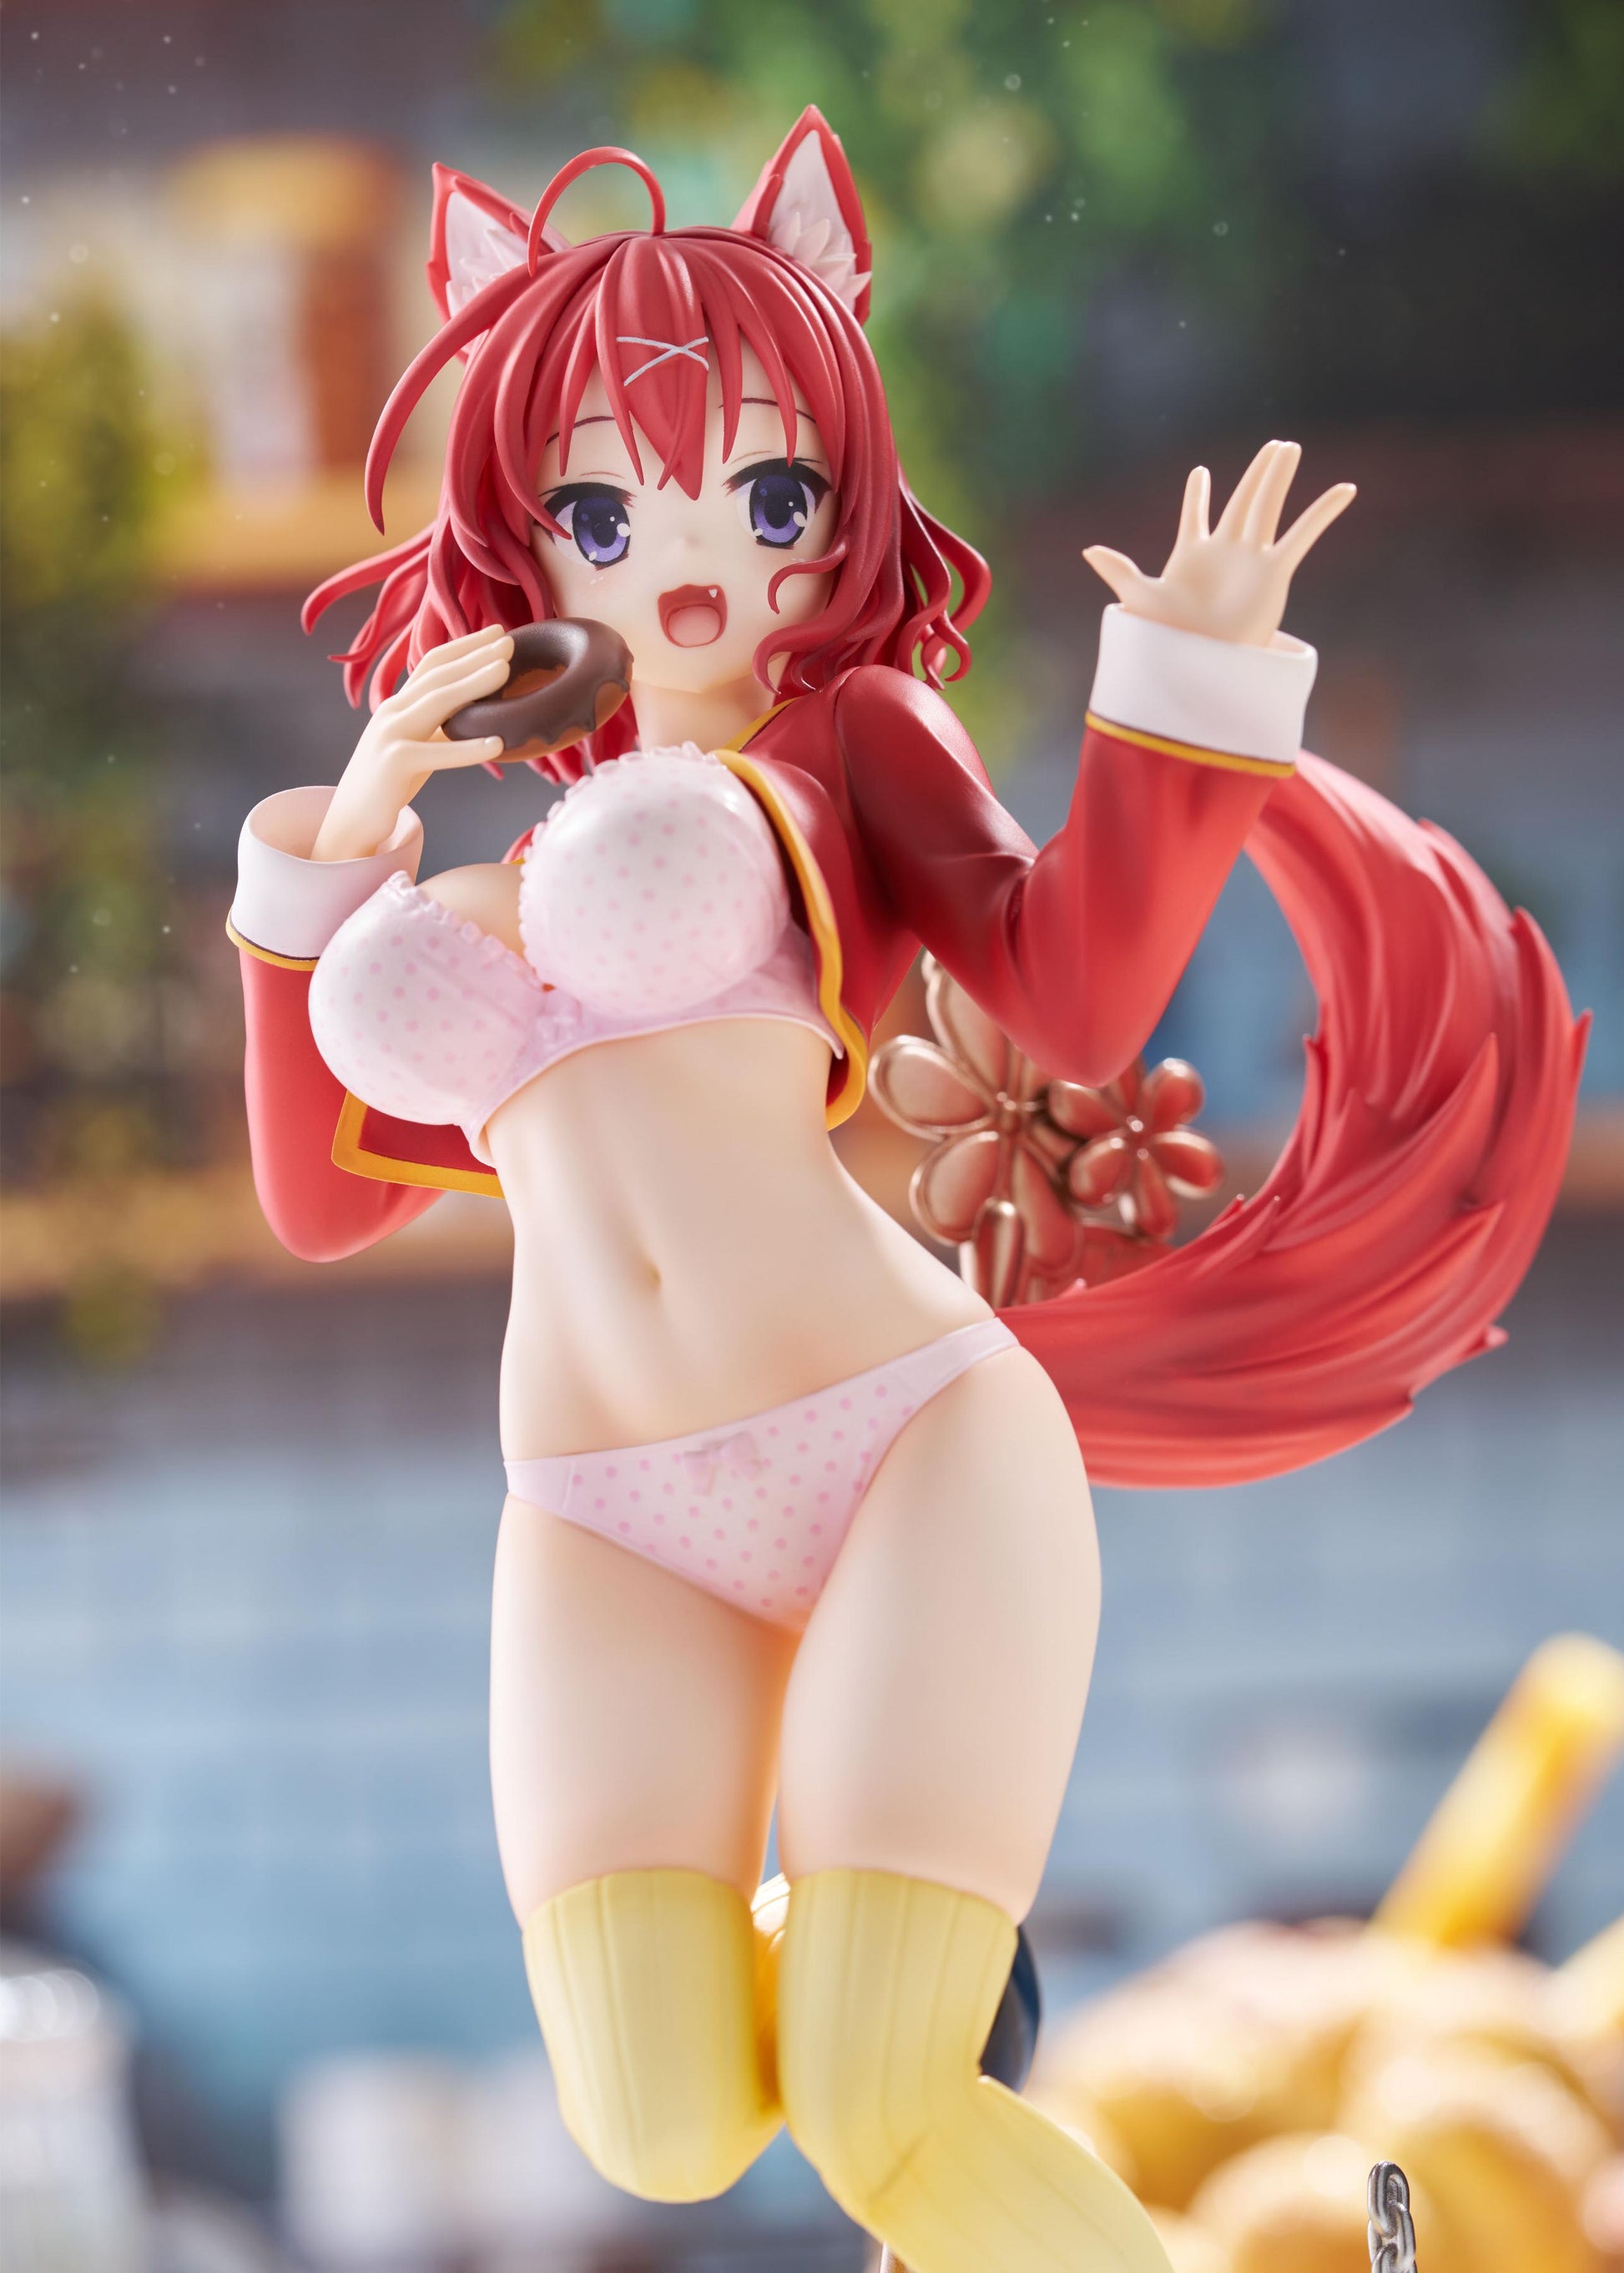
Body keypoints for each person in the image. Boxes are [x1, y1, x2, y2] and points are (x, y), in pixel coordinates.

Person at [227, 110, 1581, 2273]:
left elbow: (1067, 992)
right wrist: (336, 846)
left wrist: (1186, 693)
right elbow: (318, 1198)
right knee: (662, 2123)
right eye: (603, 510)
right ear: (520, 540)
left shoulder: (850, 743)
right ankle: (921, 1971)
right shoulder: (471, 871)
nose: (688, 565)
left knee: (877, 2116)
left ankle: (1061, 2094)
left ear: (838, 506)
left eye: (765, 498)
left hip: (901, 1443)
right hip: (600, 1511)